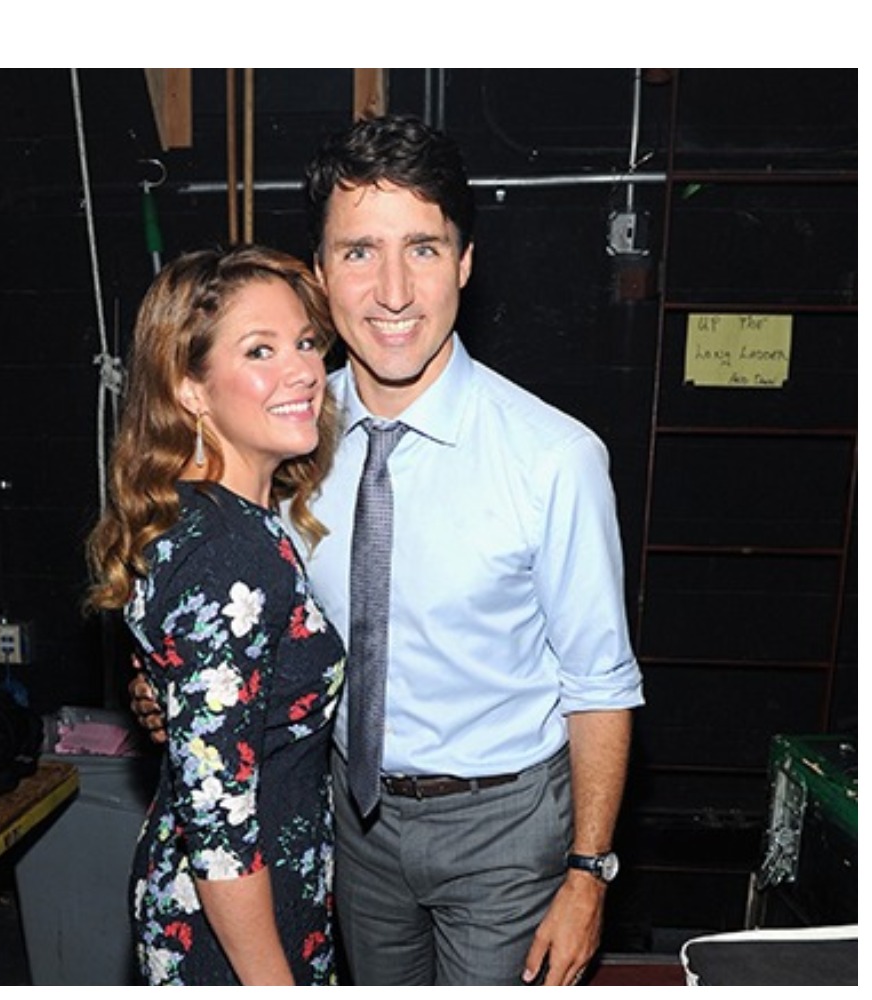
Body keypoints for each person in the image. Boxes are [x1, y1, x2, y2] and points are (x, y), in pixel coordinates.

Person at [132, 114, 644, 986]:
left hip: (502, 829)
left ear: (466, 263)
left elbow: (599, 684)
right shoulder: (283, 428)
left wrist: (588, 874)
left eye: (424, 249)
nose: (394, 291)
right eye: (361, 251)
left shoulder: (553, 459)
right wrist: (164, 683)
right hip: (346, 825)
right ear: (322, 272)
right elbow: (197, 575)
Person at [86, 246, 346, 985]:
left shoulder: (213, 520)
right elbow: (219, 824)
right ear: (189, 389)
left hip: (245, 904)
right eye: (260, 350)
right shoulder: (228, 553)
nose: (303, 371)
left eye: (305, 343)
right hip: (233, 933)